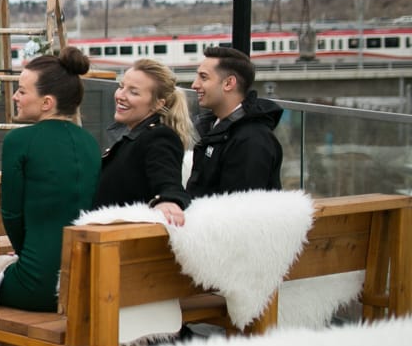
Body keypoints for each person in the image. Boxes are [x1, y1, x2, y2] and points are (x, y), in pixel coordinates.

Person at [0, 47, 101, 346]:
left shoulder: (19, 140)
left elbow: (11, 215)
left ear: (47, 102)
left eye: (23, 90)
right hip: (82, 285)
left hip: (38, 284)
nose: (16, 96)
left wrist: (27, 257)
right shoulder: (90, 144)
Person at [92, 58, 194, 224]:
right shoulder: (136, 137)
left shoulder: (159, 137)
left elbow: (168, 182)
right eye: (121, 86)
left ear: (157, 104)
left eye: (134, 92)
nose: (120, 96)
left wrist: (169, 200)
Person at [186, 46, 283, 197]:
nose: (194, 85)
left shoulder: (251, 141)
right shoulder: (218, 130)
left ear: (229, 83)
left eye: (203, 77)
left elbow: (240, 211)